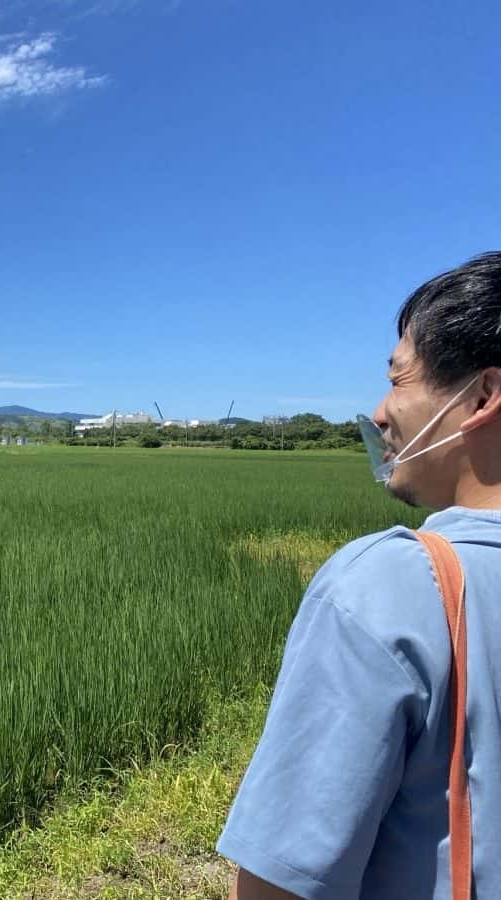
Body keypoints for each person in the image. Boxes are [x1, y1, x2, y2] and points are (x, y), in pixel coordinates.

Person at [219, 252, 501, 899]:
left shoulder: (389, 588)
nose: (380, 412)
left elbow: (281, 884)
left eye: (399, 379)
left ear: (482, 395)